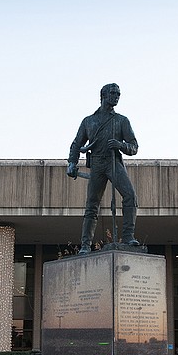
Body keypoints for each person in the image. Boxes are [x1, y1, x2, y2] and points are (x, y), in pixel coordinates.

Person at [67, 83, 139, 254]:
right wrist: (72, 163)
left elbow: (134, 147)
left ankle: (128, 236)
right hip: (97, 164)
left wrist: (120, 145)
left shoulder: (121, 120)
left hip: (114, 162)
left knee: (130, 196)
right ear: (104, 95)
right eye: (113, 93)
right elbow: (77, 144)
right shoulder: (89, 121)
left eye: (119, 94)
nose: (116, 96)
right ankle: (85, 245)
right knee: (92, 204)